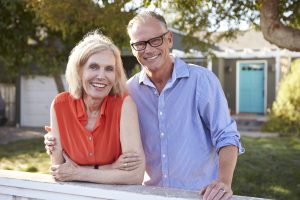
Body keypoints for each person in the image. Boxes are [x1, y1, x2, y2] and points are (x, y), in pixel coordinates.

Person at [45, 11, 244, 200]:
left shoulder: (202, 80)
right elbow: (97, 130)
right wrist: (59, 140)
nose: (148, 49)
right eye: (139, 44)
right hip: (149, 195)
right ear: (133, 49)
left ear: (169, 39)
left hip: (199, 195)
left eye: (155, 40)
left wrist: (223, 181)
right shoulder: (129, 92)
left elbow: (226, 136)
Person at [47, 30, 145, 184]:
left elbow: (135, 176)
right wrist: (110, 168)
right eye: (93, 67)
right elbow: (59, 171)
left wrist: (78, 172)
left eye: (109, 69)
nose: (102, 76)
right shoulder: (60, 106)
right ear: (79, 71)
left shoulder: (124, 105)